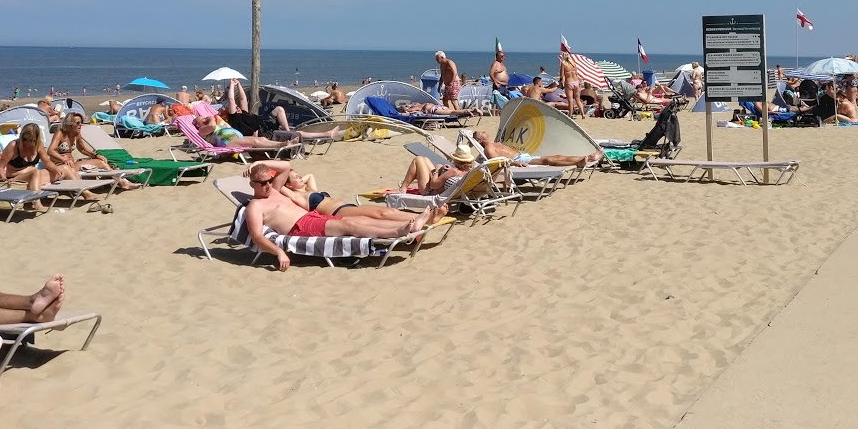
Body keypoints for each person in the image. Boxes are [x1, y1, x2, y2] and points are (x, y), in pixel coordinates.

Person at [243, 164, 437, 271]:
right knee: (350, 225)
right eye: (263, 183)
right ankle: (397, 231)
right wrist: (279, 252)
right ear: (252, 184)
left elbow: (285, 166)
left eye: (269, 180)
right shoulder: (255, 206)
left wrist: (254, 164)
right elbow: (257, 236)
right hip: (301, 227)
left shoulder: (275, 190)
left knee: (357, 222)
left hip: (313, 216)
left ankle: (409, 223)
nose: (268, 185)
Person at [260, 160, 442, 224]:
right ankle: (423, 219)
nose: (301, 178)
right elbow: (282, 175)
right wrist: (264, 169)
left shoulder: (309, 190)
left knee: (383, 214)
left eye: (300, 176)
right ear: (288, 185)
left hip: (345, 206)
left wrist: (298, 179)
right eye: (296, 178)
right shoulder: (296, 196)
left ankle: (419, 219)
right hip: (337, 212)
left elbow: (310, 175)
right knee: (382, 213)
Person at [46, 114, 140, 191]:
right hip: (60, 167)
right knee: (97, 163)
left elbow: (82, 149)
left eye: (81, 123)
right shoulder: (60, 133)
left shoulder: (76, 134)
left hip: (73, 165)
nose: (80, 125)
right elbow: (50, 151)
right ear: (70, 124)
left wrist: (96, 155)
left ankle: (122, 182)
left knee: (101, 162)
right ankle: (121, 183)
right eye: (77, 123)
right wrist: (64, 159)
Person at [0, 123, 55, 207]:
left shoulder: (38, 145)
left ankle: (78, 194)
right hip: (15, 179)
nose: (27, 142)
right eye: (25, 139)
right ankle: (37, 203)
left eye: (31, 140)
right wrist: (5, 183)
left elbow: (47, 162)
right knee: (36, 172)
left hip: (32, 177)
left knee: (64, 168)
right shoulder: (13, 146)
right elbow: (0, 167)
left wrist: (57, 170)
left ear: (36, 139)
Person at [473, 130, 598, 168]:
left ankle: (581, 160)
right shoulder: (489, 147)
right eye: (481, 133)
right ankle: (583, 160)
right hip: (519, 161)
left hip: (523, 156)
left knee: (554, 157)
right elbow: (497, 162)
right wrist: (514, 162)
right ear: (479, 140)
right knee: (549, 160)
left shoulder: (496, 142)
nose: (484, 131)